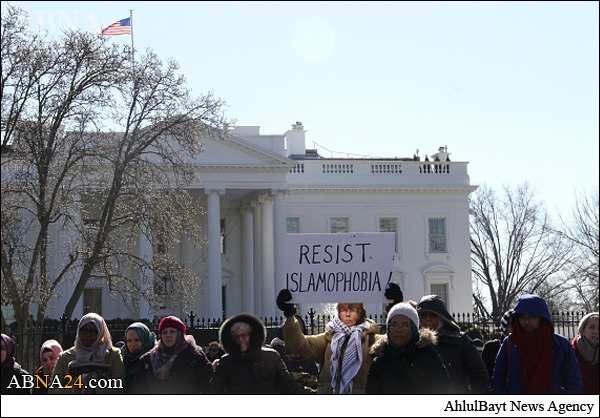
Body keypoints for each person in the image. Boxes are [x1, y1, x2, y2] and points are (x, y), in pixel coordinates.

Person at [276, 286, 397, 394]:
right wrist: (290, 315)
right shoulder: (328, 339)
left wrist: (395, 311)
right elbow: (298, 344)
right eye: (343, 309)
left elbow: (396, 343)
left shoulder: (373, 340)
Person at [492, 294, 582, 394]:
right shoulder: (510, 342)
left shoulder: (560, 345)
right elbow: (498, 378)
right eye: (522, 317)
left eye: (532, 316)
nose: (526, 321)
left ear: (541, 318)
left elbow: (574, 381)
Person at [209, 312, 314, 394]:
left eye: (244, 335)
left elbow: (289, 385)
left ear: (251, 335)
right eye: (237, 337)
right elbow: (215, 391)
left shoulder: (271, 356)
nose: (241, 340)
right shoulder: (226, 361)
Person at [366, 302, 451, 394]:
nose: (399, 330)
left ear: (414, 329)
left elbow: (443, 389)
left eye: (405, 325)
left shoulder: (429, 356)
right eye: (394, 324)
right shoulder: (380, 361)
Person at [417, 294, 489, 394]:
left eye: (432, 315)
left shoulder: (460, 341)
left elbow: (480, 375)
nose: (428, 319)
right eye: (424, 314)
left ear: (441, 317)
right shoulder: (414, 343)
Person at [130, 315, 213, 394]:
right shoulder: (148, 359)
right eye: (164, 332)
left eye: (172, 331)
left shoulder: (195, 356)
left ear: (180, 334)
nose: (168, 335)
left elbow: (208, 386)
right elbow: (139, 389)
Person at [49, 313, 125, 394]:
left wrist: (91, 388)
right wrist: (73, 390)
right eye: (83, 330)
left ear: (101, 333)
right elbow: (53, 389)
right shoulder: (65, 357)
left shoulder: (113, 356)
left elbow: (119, 387)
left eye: (93, 331)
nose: (87, 335)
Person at [481, 309, 513, 393]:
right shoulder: (491, 348)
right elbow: (483, 373)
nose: (514, 329)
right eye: (510, 326)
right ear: (505, 329)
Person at [121, 321, 156, 394]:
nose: (132, 344)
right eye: (129, 341)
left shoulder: (155, 357)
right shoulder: (124, 357)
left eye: (136, 340)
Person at [571, 312, 598, 394]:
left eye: (599, 328)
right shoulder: (570, 353)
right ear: (582, 330)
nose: (596, 331)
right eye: (592, 327)